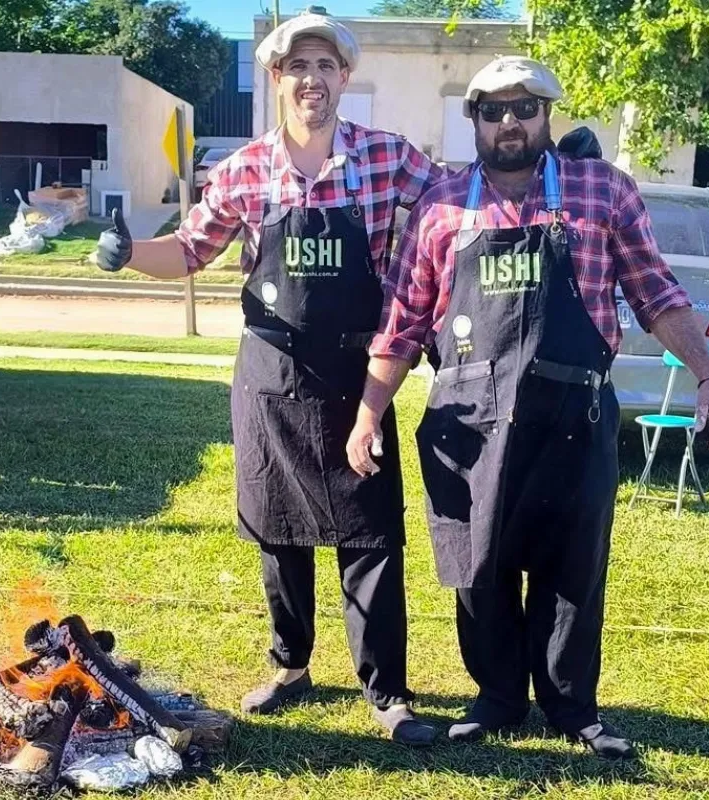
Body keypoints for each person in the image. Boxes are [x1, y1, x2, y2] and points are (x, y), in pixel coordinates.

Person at [344, 56, 709, 760]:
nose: (509, 122)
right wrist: (370, 411)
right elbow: (401, 322)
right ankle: (497, 698)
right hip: (467, 422)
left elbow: (657, 293)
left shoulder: (601, 192)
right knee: (478, 566)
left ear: (546, 113)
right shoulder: (440, 206)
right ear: (474, 122)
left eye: (524, 108)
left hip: (574, 416)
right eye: (492, 111)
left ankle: (570, 707)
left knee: (571, 568)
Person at [93, 9, 449, 746]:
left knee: (371, 535)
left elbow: (457, 200)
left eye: (325, 66)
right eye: (297, 67)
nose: (311, 80)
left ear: (344, 77)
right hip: (270, 371)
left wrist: (551, 177)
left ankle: (387, 692)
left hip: (359, 370)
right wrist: (129, 253)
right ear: (276, 78)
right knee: (277, 529)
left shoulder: (389, 158)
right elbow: (190, 252)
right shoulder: (244, 169)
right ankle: (291, 667)